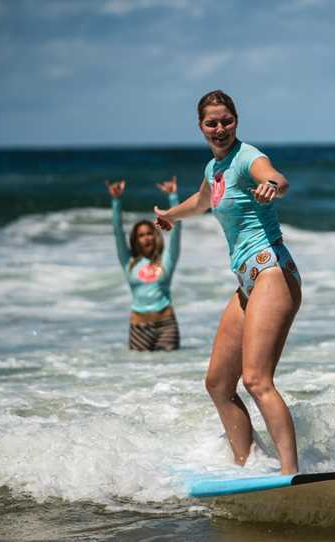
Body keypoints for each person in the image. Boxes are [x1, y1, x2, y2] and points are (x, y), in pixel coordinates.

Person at [153, 90, 302, 474]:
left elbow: (275, 178)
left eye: (226, 121)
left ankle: (291, 475)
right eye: (211, 123)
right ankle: (246, 467)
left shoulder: (247, 157)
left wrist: (273, 187)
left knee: (256, 380)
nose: (220, 129)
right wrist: (171, 214)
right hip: (247, 282)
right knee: (219, 384)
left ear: (236, 120)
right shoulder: (213, 169)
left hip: (272, 271)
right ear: (200, 127)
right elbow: (202, 202)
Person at [107, 177, 182, 351]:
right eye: (141, 235)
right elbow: (117, 232)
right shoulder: (129, 262)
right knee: (139, 374)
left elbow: (177, 230)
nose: (146, 237)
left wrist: (172, 197)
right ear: (135, 239)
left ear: (155, 236)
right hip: (138, 328)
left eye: (149, 233)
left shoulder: (166, 260)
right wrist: (116, 200)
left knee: (172, 372)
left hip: (166, 326)